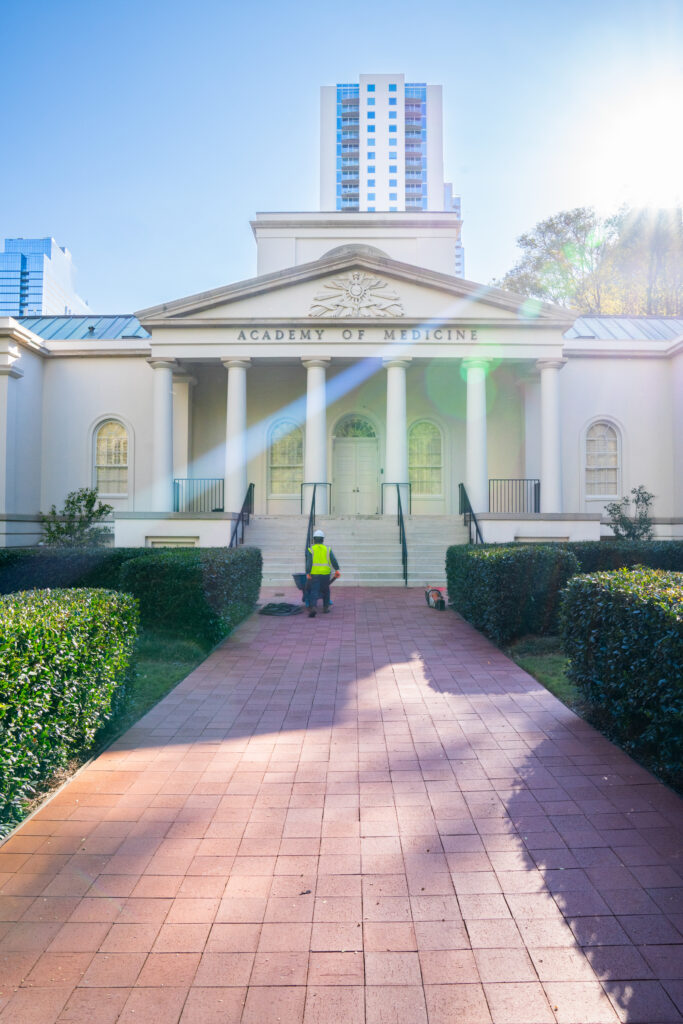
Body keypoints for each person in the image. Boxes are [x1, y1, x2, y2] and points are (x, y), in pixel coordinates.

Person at [306, 528, 340, 617]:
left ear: (314, 539)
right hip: (325, 574)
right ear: (322, 539)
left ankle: (313, 607)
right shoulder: (327, 549)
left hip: (315, 574)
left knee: (314, 590)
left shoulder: (311, 549)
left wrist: (308, 572)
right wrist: (337, 569)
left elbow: (309, 562)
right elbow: (333, 560)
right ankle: (325, 608)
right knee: (326, 590)